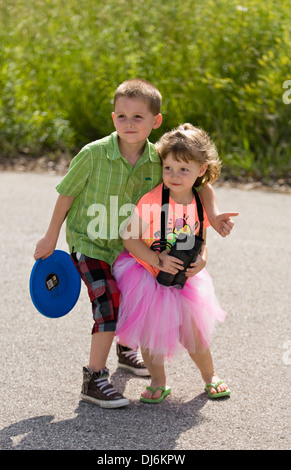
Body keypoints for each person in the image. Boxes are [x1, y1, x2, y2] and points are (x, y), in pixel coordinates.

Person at [34, 79, 236, 408]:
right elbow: (66, 194)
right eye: (122, 116)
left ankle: (128, 354)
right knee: (111, 304)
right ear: (113, 118)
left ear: (155, 121)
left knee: (137, 308)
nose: (129, 124)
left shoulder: (158, 159)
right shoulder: (94, 154)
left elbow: (192, 194)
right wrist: (50, 235)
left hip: (132, 250)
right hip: (94, 244)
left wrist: (211, 221)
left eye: (138, 117)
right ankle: (95, 378)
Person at [114, 123, 238, 403]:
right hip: (148, 272)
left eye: (184, 169)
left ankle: (210, 376)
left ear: (201, 170)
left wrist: (202, 261)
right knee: (152, 334)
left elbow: (200, 238)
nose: (174, 175)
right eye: (168, 168)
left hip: (185, 275)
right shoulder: (152, 200)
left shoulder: (199, 200)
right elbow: (129, 239)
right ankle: (158, 380)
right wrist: (157, 260)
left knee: (195, 333)